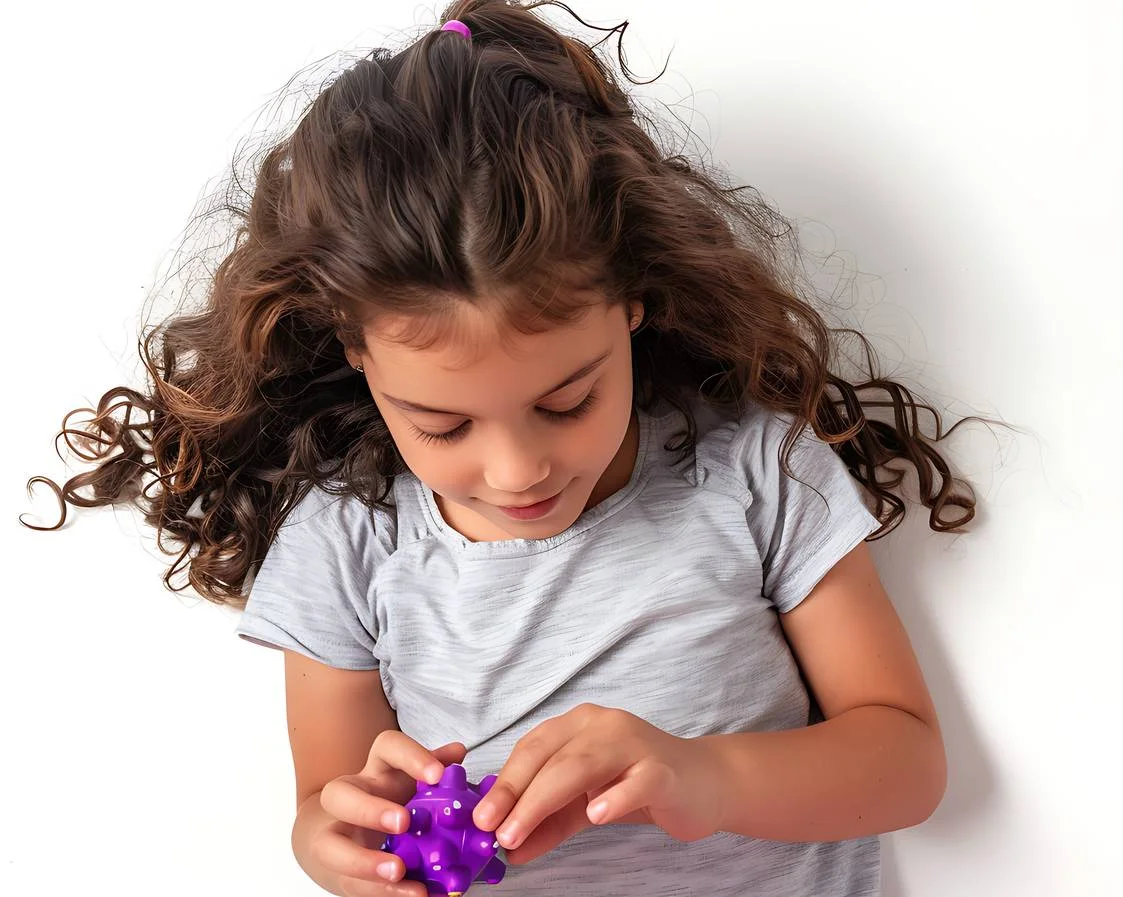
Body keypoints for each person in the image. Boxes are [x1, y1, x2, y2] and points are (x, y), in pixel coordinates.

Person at [28, 2, 982, 894]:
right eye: (443, 425)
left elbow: (905, 762)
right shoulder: (346, 544)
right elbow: (324, 812)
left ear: (634, 302)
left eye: (569, 400)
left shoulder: (756, 473)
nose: (519, 469)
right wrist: (341, 841)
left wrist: (706, 774)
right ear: (356, 354)